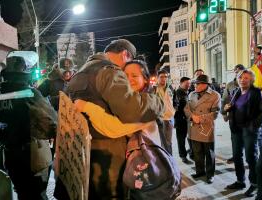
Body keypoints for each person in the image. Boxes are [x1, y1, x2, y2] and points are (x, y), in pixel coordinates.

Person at [57, 39, 165, 199]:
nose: (126, 74)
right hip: (109, 163)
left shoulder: (78, 74)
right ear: (125, 54)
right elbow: (131, 110)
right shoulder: (109, 71)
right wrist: (159, 103)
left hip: (81, 158)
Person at [0, 51, 57, 200]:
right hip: (33, 156)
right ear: (25, 71)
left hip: (11, 155)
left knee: (22, 193)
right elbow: (52, 122)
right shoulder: (29, 93)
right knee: (37, 194)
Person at [224, 70, 262, 197]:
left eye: (246, 78)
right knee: (237, 156)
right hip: (236, 129)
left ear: (251, 80)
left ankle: (254, 184)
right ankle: (240, 180)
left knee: (250, 157)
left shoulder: (257, 93)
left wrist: (253, 126)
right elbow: (234, 107)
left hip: (250, 130)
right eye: (240, 77)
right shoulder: (235, 92)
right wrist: (228, 108)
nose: (243, 79)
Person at [184, 74, 221, 184]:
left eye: (197, 83)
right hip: (193, 127)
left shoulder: (215, 95)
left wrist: (200, 118)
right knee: (197, 152)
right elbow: (186, 108)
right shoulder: (192, 94)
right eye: (195, 83)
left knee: (209, 153)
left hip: (206, 128)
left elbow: (215, 113)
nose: (195, 85)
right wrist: (192, 117)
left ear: (205, 84)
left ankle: (210, 175)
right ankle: (200, 171)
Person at [221, 64, 245, 163]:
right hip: (233, 117)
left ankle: (250, 158)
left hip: (247, 118)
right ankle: (236, 156)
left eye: (240, 72)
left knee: (247, 138)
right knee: (235, 138)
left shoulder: (250, 84)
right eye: (236, 72)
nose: (238, 74)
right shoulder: (230, 85)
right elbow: (224, 99)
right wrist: (224, 114)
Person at [154, 69, 176, 154]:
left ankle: (170, 159)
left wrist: (173, 111)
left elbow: (175, 101)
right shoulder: (154, 89)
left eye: (166, 77)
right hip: (159, 119)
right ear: (157, 78)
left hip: (170, 118)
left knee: (169, 141)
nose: (164, 79)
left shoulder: (170, 87)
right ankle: (162, 159)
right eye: (161, 77)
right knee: (160, 141)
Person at [173, 77, 192, 164]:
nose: (188, 85)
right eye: (187, 83)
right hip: (180, 119)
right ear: (181, 83)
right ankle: (183, 156)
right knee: (181, 139)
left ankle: (190, 151)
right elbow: (177, 107)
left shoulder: (186, 92)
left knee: (189, 137)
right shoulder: (178, 93)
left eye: (189, 83)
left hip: (187, 119)